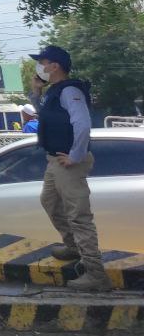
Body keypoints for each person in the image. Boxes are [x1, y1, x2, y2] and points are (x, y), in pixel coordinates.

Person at [31, 44, 108, 291]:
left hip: (67, 163)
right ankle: (73, 246)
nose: (39, 67)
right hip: (55, 161)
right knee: (50, 202)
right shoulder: (55, 92)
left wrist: (75, 155)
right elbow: (47, 117)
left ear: (54, 66)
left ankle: (96, 274)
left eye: (41, 62)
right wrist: (35, 93)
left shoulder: (70, 90)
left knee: (79, 216)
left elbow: (82, 124)